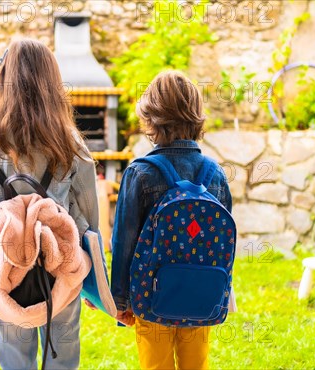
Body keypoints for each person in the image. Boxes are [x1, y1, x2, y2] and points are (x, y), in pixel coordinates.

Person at [0, 38, 99, 370]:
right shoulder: (73, 145)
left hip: (6, 269)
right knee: (63, 357)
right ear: (53, 84)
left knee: (14, 357)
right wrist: (95, 285)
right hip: (63, 267)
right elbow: (90, 221)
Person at [110, 70, 233, 369]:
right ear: (198, 118)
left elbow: (123, 243)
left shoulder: (140, 173)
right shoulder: (215, 174)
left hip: (152, 298)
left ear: (150, 118)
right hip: (202, 294)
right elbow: (223, 246)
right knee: (196, 364)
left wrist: (120, 301)